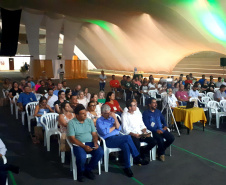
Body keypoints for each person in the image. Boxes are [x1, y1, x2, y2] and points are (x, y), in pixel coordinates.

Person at [96, 105, 140, 177]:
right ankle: (136, 156)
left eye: (110, 112)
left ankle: (127, 167)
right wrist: (113, 127)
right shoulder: (99, 121)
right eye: (107, 113)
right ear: (102, 113)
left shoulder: (111, 118)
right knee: (128, 137)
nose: (109, 114)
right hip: (108, 140)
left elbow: (119, 128)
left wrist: (115, 118)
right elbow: (105, 132)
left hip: (118, 137)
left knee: (126, 146)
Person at [67, 104, 104, 182]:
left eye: (85, 113)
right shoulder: (71, 123)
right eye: (83, 114)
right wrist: (83, 146)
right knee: (81, 157)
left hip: (90, 142)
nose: (85, 115)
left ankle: (88, 169)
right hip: (79, 144)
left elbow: (94, 134)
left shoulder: (89, 121)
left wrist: (95, 143)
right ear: (77, 115)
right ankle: (80, 173)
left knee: (100, 152)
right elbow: (72, 139)